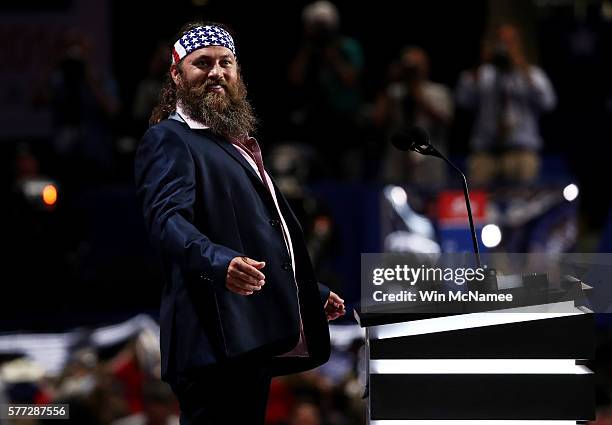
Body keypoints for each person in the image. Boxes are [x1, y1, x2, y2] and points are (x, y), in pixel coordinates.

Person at [134, 21, 346, 425]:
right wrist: (219, 264)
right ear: (177, 75)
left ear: (238, 74)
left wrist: (307, 292)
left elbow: (254, 236)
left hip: (246, 336)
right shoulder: (171, 138)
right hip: (212, 338)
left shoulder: (233, 143)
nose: (216, 72)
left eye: (225, 63)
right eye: (202, 63)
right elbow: (167, 221)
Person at [456, 24, 556, 186]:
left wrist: (521, 66)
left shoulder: (532, 74)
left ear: (519, 44)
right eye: (500, 42)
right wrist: (480, 62)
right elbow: (463, 100)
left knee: (524, 204)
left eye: (510, 42)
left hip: (522, 153)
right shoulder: (482, 73)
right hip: (485, 154)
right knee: (478, 203)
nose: (504, 47)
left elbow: (548, 102)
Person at [288, 1, 364, 179]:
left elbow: (350, 78)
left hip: (347, 125)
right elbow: (295, 79)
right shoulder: (307, 51)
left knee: (348, 178)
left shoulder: (348, 47)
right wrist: (308, 48)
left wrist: (332, 53)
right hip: (316, 127)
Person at [373, 46, 453, 186]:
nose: (412, 71)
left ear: (427, 66)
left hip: (429, 162)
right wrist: (388, 82)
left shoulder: (438, 91)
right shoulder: (393, 92)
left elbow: (445, 121)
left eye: (416, 66)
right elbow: (377, 120)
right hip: (397, 161)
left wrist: (417, 95)